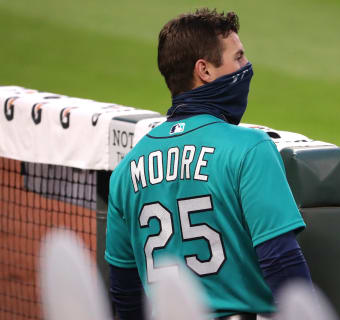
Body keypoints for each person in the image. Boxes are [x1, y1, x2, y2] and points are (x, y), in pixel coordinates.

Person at [105, 8, 312, 320]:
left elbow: (124, 290)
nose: (246, 67)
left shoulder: (126, 170)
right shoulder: (251, 149)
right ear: (204, 70)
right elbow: (281, 262)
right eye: (238, 57)